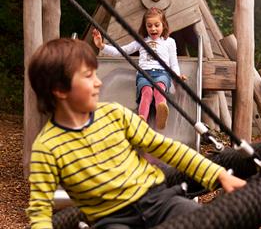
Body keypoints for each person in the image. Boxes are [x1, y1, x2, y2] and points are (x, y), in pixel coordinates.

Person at [26, 38, 246, 229]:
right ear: (60, 90)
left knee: (204, 221)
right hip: (111, 220)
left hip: (158, 201)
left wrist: (219, 174)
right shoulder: (47, 148)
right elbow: (40, 211)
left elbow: (167, 148)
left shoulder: (114, 114)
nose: (98, 82)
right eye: (88, 76)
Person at [92, 7, 187, 130]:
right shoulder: (141, 41)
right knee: (146, 92)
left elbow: (173, 63)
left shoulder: (169, 42)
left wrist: (177, 76)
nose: (153, 28)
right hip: (144, 74)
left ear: (163, 25)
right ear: (145, 27)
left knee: (160, 88)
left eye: (157, 25)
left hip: (162, 73)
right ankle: (142, 120)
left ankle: (160, 115)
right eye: (149, 26)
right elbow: (122, 51)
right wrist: (102, 46)